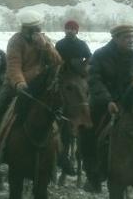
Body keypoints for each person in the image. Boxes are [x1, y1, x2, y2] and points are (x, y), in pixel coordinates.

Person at [80, 24, 133, 192]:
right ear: (115, 38)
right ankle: (94, 174)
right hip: (106, 103)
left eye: (132, 37)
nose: (131, 41)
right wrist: (108, 100)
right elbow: (93, 78)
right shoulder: (101, 55)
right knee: (86, 130)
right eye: (126, 37)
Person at [0, 10, 62, 166]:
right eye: (31, 29)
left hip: (41, 85)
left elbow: (57, 62)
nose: (35, 31)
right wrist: (20, 83)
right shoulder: (15, 41)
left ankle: (61, 153)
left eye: (37, 28)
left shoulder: (44, 40)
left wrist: (46, 47)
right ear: (24, 28)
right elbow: (13, 66)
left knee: (61, 110)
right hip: (16, 85)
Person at [54, 20, 91, 175]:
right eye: (68, 28)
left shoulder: (82, 44)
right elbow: (55, 60)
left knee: (84, 96)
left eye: (72, 29)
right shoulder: (60, 44)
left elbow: (90, 58)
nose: (70, 31)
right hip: (63, 77)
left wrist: (83, 69)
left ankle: (85, 119)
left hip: (77, 77)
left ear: (77, 31)